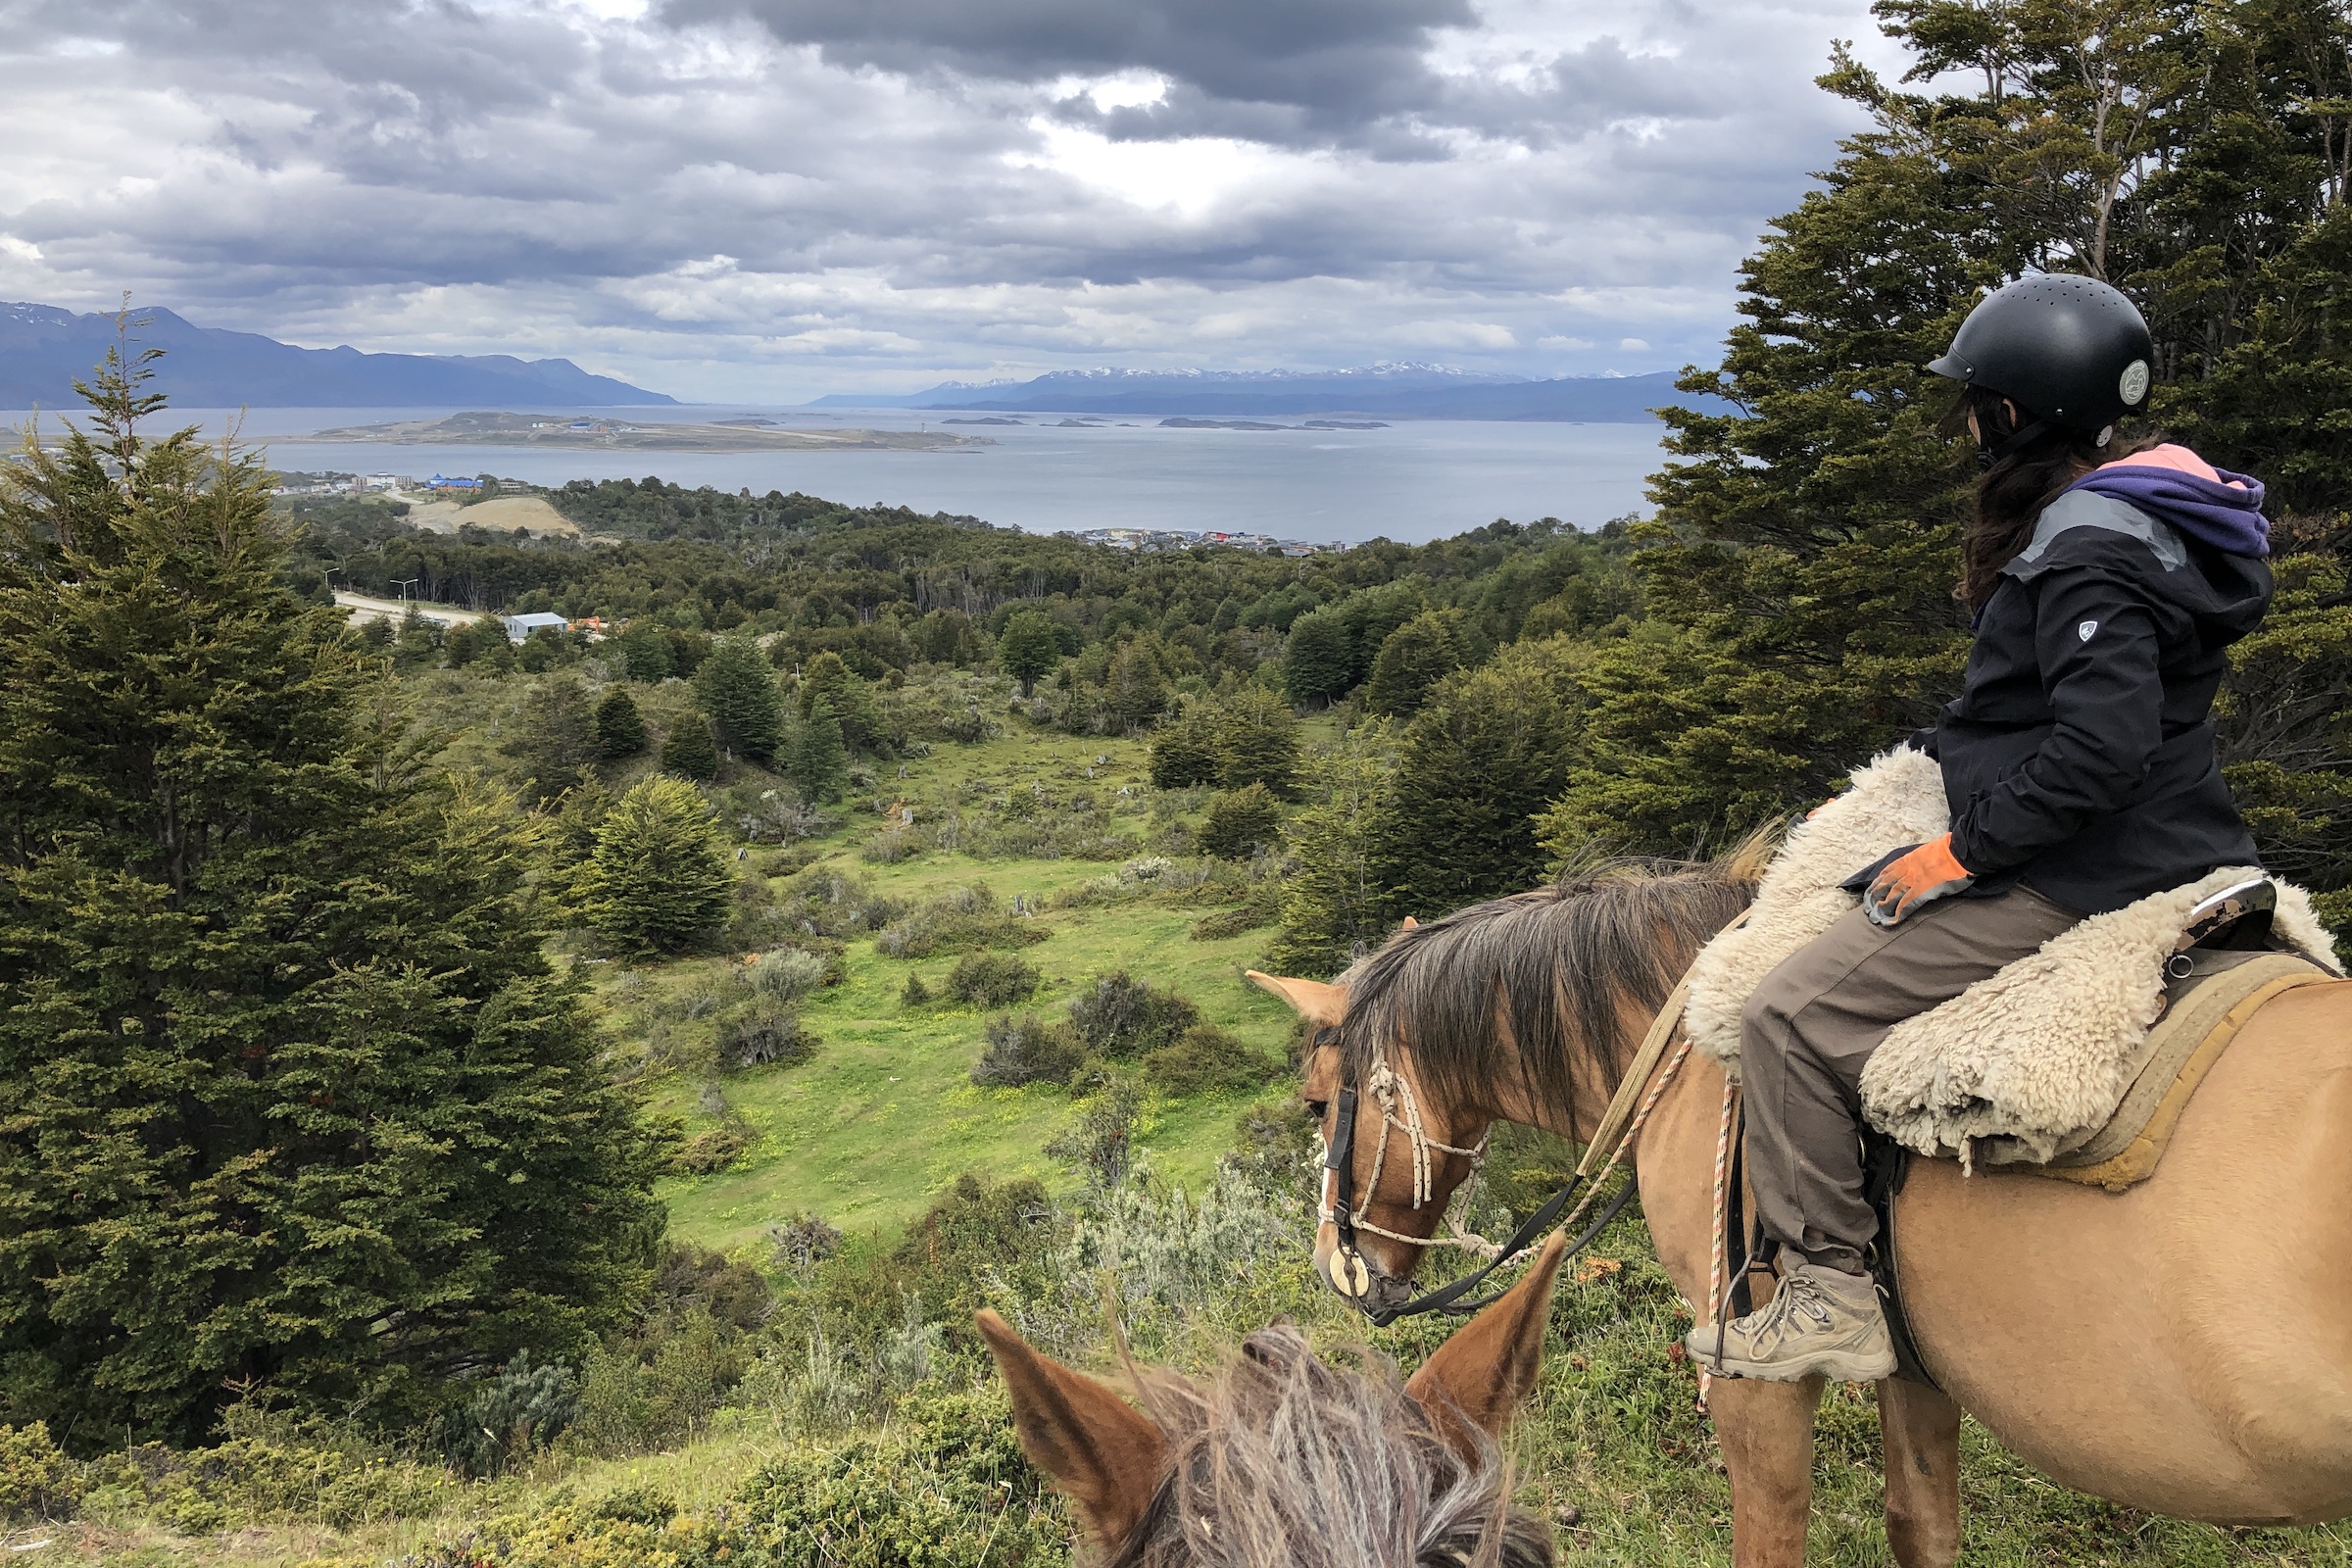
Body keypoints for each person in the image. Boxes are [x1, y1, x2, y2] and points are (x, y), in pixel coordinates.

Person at [1688, 274, 2277, 1383]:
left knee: (1781, 1020)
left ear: (2019, 410)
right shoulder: (2154, 507)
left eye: (1976, 402)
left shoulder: (2086, 547)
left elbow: (2100, 748)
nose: (1965, 423)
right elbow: (2023, 706)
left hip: (2083, 866)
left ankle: (1828, 1293)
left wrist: (1958, 851)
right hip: (2178, 829)